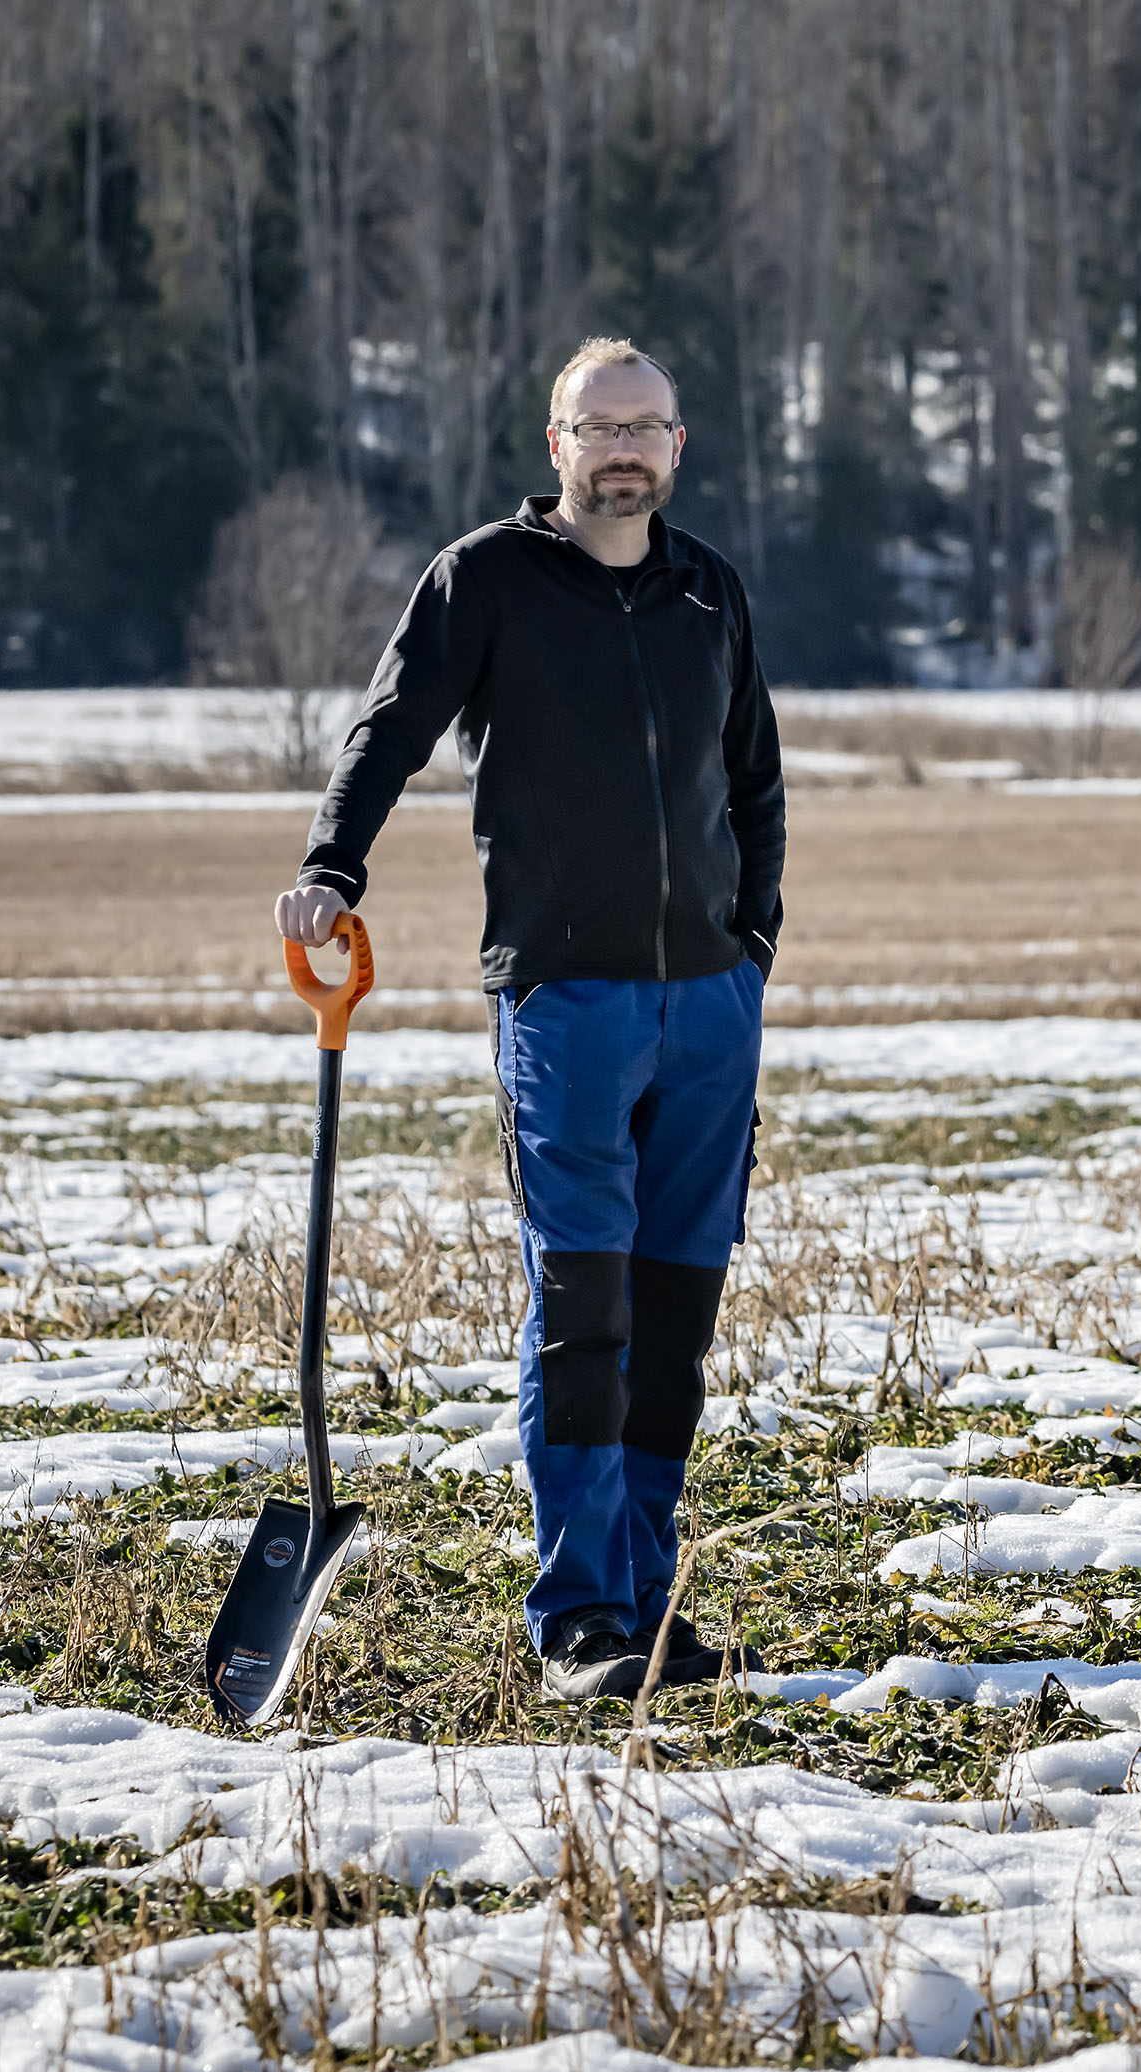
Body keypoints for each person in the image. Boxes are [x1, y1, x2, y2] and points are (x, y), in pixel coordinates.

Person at [273, 336, 784, 1703]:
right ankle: (578, 1617)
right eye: (598, 427)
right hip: (566, 999)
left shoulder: (708, 589)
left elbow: (754, 780)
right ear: (556, 443)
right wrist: (332, 868)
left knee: (675, 1312)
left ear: (677, 446)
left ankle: (648, 1607)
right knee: (584, 1304)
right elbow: (389, 731)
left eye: (646, 428)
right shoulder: (484, 580)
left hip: (709, 1004)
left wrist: (751, 949)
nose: (624, 450)